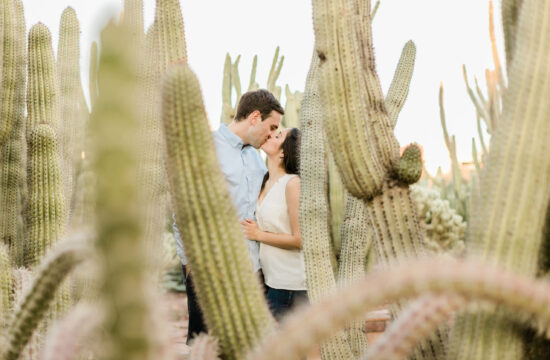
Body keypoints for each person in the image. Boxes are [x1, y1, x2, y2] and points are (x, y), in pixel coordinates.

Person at [173, 89, 284, 343]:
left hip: (252, 272)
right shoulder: (205, 146)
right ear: (255, 117)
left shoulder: (256, 159)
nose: (272, 134)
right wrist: (190, 266)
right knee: (206, 348)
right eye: (271, 126)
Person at [240, 128, 307, 320]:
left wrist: (258, 234)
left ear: (284, 151)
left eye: (278, 136)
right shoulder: (265, 180)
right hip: (271, 280)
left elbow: (300, 239)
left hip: (291, 286)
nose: (270, 135)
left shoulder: (293, 184)